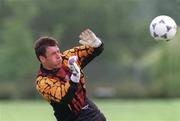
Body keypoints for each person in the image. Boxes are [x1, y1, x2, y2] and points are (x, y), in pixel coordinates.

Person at [34, 29, 106, 121]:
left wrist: (97, 43)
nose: (58, 56)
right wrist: (75, 76)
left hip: (90, 112)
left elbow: (94, 50)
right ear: (42, 58)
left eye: (58, 51)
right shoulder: (42, 82)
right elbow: (65, 97)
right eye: (53, 54)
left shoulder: (68, 57)